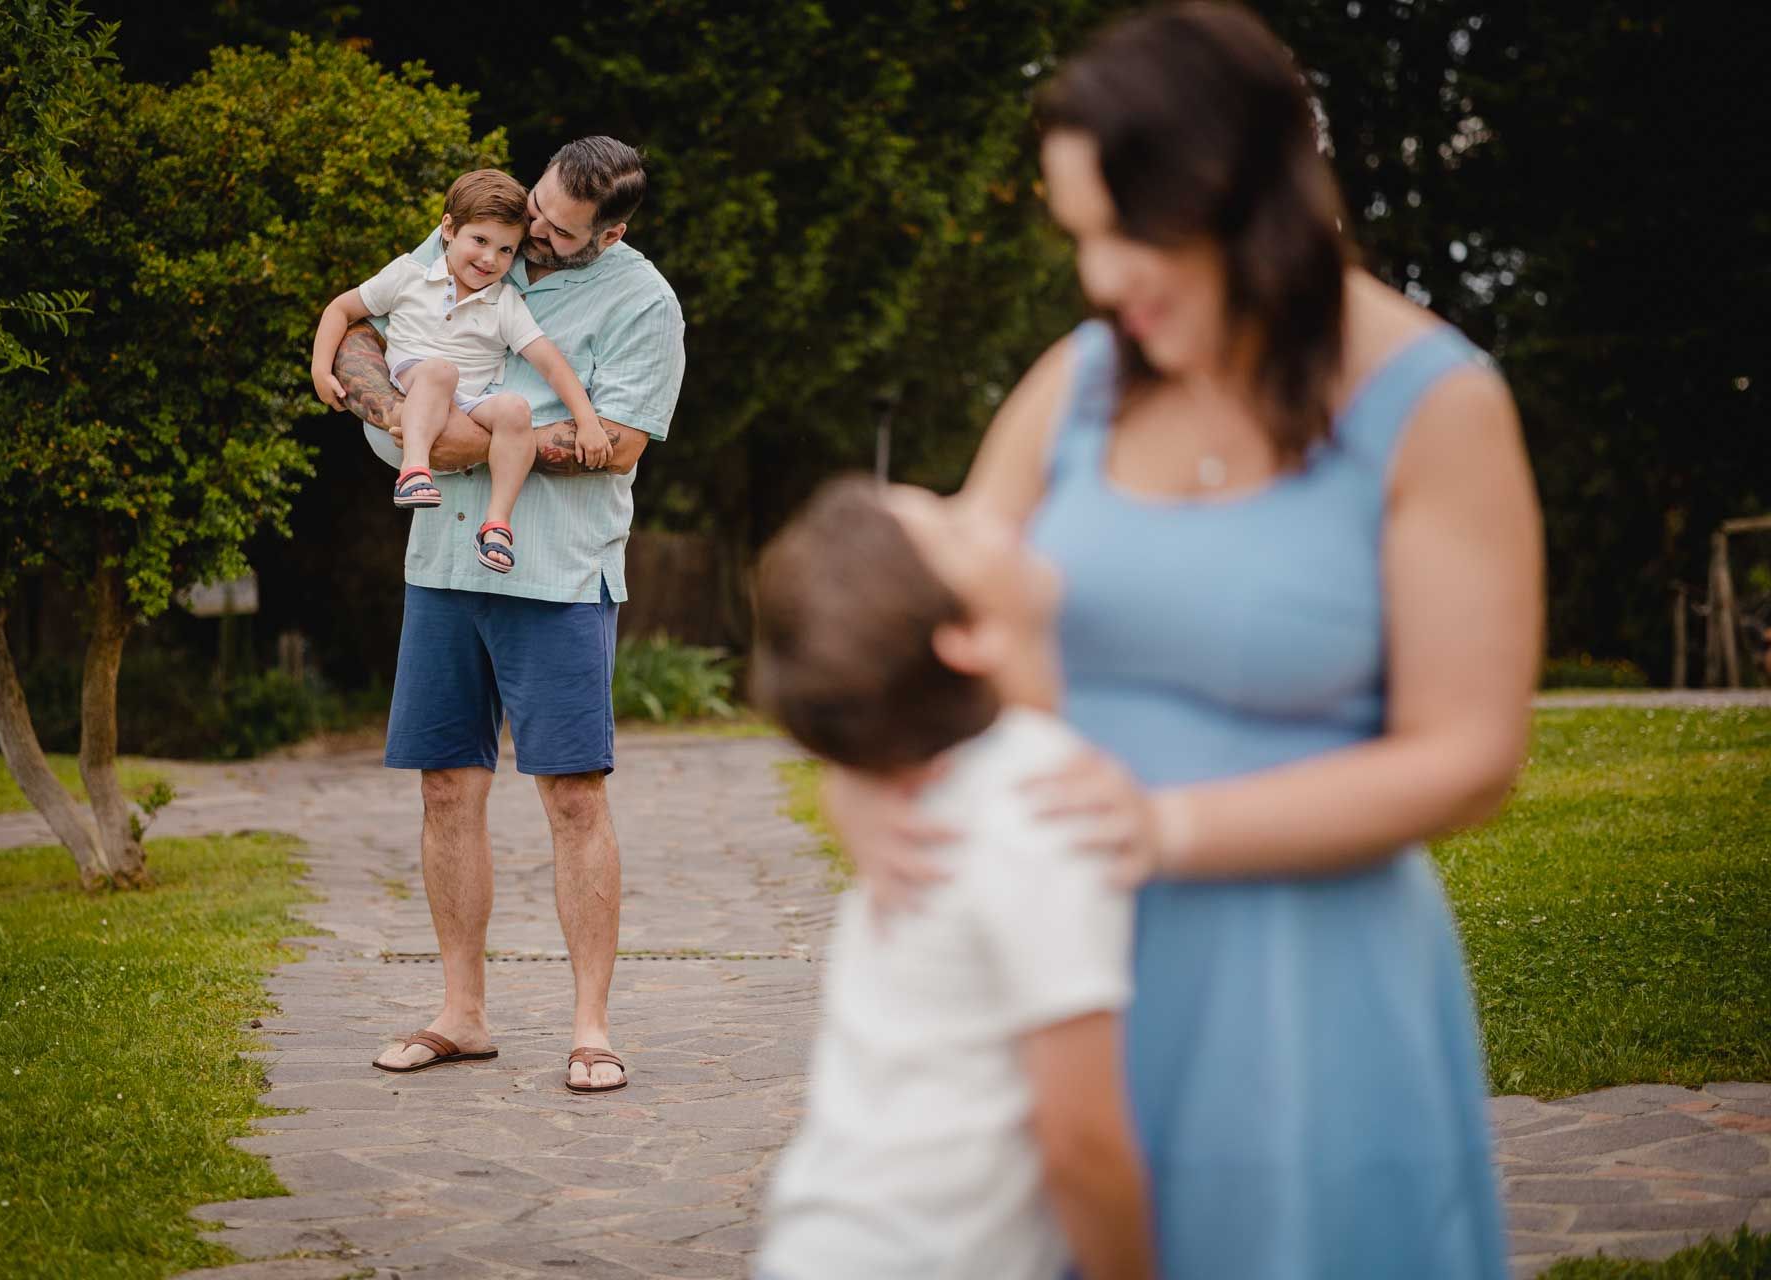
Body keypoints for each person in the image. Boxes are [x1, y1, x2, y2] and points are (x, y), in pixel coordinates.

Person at [823, 5, 1541, 1276]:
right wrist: (863, 779)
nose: (1103, 281)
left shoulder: (1437, 406)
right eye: (1081, 238)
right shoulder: (1084, 380)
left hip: (1304, 995)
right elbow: (922, 609)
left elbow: (1473, 751)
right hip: (1065, 980)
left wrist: (1170, 828)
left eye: (1130, 234)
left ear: (1241, 196)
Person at [328, 137, 685, 1093]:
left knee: (573, 798)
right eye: (533, 206)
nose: (530, 233)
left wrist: (457, 446)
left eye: (558, 229)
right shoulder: (481, 237)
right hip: (443, 562)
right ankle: (463, 1014)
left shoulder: (642, 302)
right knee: (446, 787)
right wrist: (387, 405)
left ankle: (591, 1029)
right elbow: (368, 332)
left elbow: (620, 445)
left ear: (606, 233)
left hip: (558, 576)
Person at [749, 476, 1153, 1280]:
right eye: (959, 532)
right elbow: (1082, 1140)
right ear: (966, 637)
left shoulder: (929, 784)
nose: (992, 515)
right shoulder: (1043, 805)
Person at [310, 167, 612, 573]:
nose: (490, 259)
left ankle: (496, 525)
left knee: (514, 411)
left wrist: (586, 420)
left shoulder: (503, 302)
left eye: (506, 250)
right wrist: (319, 368)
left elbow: (550, 362)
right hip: (414, 379)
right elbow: (341, 308)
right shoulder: (409, 276)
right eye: (480, 241)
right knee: (440, 373)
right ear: (449, 229)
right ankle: (414, 471)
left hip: (469, 400)